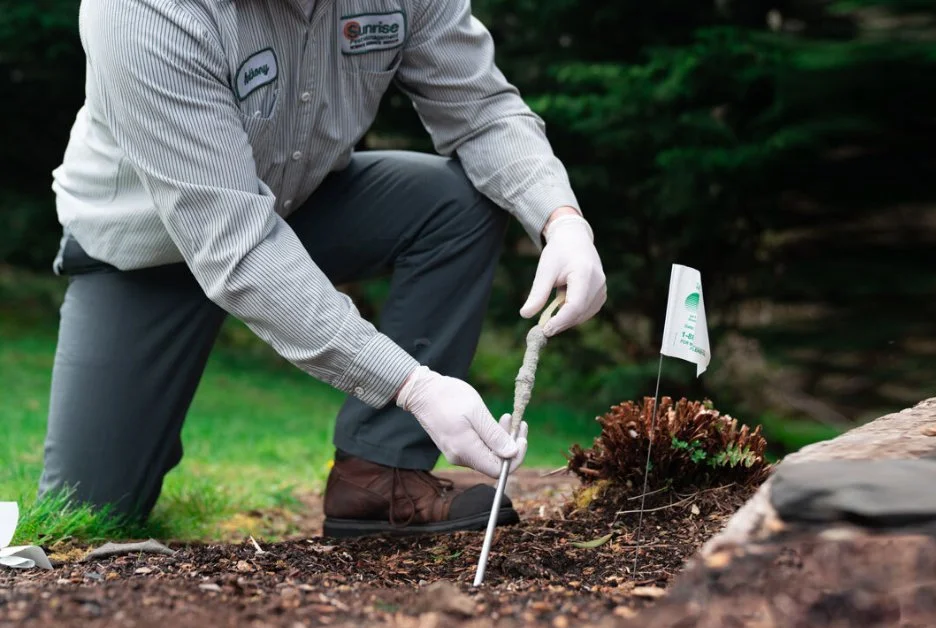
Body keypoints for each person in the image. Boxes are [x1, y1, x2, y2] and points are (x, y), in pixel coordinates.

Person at [39, 0, 607, 537]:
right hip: (146, 253)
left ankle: (378, 476)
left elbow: (481, 111)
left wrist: (562, 220)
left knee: (454, 204)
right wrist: (413, 385)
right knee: (90, 513)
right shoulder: (145, 12)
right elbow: (235, 246)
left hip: (301, 205)